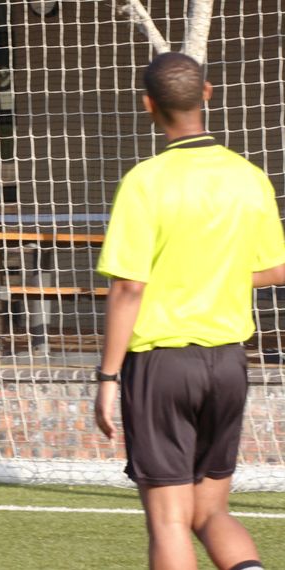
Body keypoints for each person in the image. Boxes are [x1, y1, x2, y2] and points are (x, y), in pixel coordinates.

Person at [94, 52, 285, 570]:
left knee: (170, 520)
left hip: (163, 364)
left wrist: (107, 377)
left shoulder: (145, 181)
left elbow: (130, 287)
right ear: (208, 93)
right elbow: (277, 268)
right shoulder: (249, 177)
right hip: (227, 362)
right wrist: (213, 273)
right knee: (210, 512)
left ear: (147, 104)